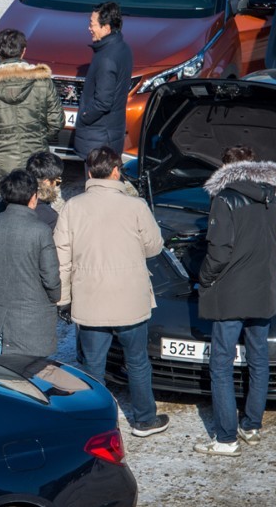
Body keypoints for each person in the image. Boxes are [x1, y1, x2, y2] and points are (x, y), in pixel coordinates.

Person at [53, 146, 169, 437]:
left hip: (90, 298)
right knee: (138, 361)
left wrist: (64, 299)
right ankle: (144, 419)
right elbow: (155, 246)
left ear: (89, 172)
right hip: (131, 298)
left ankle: (96, 423)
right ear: (117, 171)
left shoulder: (73, 206)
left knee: (92, 365)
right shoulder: (136, 206)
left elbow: (61, 257)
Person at [193, 145, 276, 457]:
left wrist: (203, 278)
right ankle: (251, 425)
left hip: (231, 294)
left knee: (221, 364)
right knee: (259, 358)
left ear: (224, 168)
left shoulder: (225, 198)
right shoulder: (272, 199)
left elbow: (219, 252)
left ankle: (225, 438)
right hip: (263, 290)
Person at [0, 169, 62, 357]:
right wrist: (53, 297)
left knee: (3, 378)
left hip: (1, 322)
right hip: (34, 321)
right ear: (34, 197)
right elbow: (51, 277)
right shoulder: (40, 230)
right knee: (32, 378)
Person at [0, 29, 63, 195]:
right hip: (36, 161)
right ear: (24, 51)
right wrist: (40, 138)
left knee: (6, 209)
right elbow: (56, 121)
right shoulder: (41, 81)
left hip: (2, 161)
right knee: (38, 207)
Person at [73, 2, 133, 159]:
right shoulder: (123, 48)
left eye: (92, 24)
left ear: (106, 28)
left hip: (98, 137)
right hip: (110, 132)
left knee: (96, 182)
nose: (89, 28)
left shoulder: (106, 59)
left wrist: (84, 116)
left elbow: (103, 103)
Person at [0, 150, 64, 230]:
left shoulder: (4, 200)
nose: (57, 185)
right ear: (46, 182)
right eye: (57, 181)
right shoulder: (49, 217)